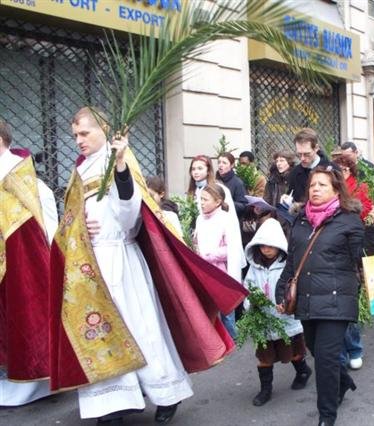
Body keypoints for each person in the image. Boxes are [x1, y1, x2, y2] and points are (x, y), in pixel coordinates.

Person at [49, 107, 247, 424]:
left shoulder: (119, 163)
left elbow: (131, 215)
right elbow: (71, 219)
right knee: (102, 335)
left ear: (104, 130)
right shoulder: (81, 169)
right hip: (90, 265)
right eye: (74, 135)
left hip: (121, 260)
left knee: (143, 330)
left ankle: (168, 393)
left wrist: (122, 168)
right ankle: (114, 402)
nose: (78, 141)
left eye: (84, 133)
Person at [275, 166, 364, 426]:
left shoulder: (349, 220)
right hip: (307, 298)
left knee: (325, 360)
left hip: (337, 298)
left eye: (322, 185)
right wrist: (282, 292)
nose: (315, 189)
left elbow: (363, 255)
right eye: (313, 185)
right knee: (316, 349)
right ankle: (343, 382)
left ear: (336, 190)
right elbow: (292, 263)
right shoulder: (301, 220)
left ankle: (326, 416)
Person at [0, 120, 57, 406]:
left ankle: (34, 381)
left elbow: (49, 227)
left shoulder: (26, 179)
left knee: (25, 320)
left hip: (24, 268)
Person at [243, 218, 311, 407]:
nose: (266, 249)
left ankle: (303, 371)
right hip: (263, 319)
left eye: (271, 245)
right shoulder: (254, 267)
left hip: (285, 319)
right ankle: (265, 389)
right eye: (263, 245)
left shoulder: (287, 266)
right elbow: (247, 287)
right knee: (264, 357)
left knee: (294, 351)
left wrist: (288, 304)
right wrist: (250, 303)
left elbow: (293, 287)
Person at [333, 155, 374, 370]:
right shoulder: (331, 192)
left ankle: (354, 348)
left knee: (354, 304)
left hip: (360, 251)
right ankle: (342, 350)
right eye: (338, 170)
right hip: (336, 253)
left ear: (351, 171)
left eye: (345, 170)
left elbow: (370, 220)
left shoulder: (362, 188)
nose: (341, 174)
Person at [187, 155, 246, 336]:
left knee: (226, 310)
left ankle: (233, 339)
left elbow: (231, 248)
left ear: (218, 201)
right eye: (201, 199)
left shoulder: (224, 219)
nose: (201, 203)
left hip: (220, 271)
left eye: (205, 200)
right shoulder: (199, 218)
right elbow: (197, 239)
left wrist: (208, 255)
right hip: (203, 270)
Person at [285, 128, 335, 204]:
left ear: (316, 148)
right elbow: (291, 197)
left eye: (306, 154)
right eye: (299, 154)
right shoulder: (294, 173)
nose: (302, 158)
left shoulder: (333, 170)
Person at [217, 152, 248, 217]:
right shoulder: (215, 181)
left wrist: (226, 204)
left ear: (232, 165)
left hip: (231, 220)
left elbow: (243, 206)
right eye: (219, 162)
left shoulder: (238, 183)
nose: (220, 165)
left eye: (224, 163)